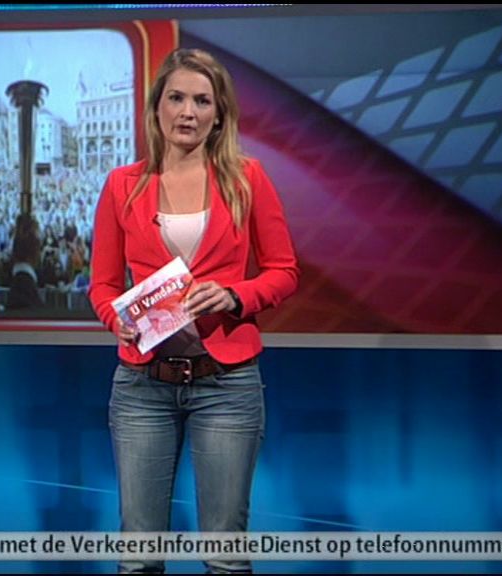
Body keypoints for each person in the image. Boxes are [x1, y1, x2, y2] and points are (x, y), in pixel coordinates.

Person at [88, 48, 299, 574]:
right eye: (177, 98)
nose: (188, 112)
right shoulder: (122, 185)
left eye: (202, 101)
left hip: (226, 385)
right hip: (143, 386)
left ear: (219, 113)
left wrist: (235, 296)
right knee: (139, 557)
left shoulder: (247, 178)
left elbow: (284, 271)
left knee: (225, 557)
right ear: (156, 107)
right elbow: (103, 286)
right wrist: (120, 320)